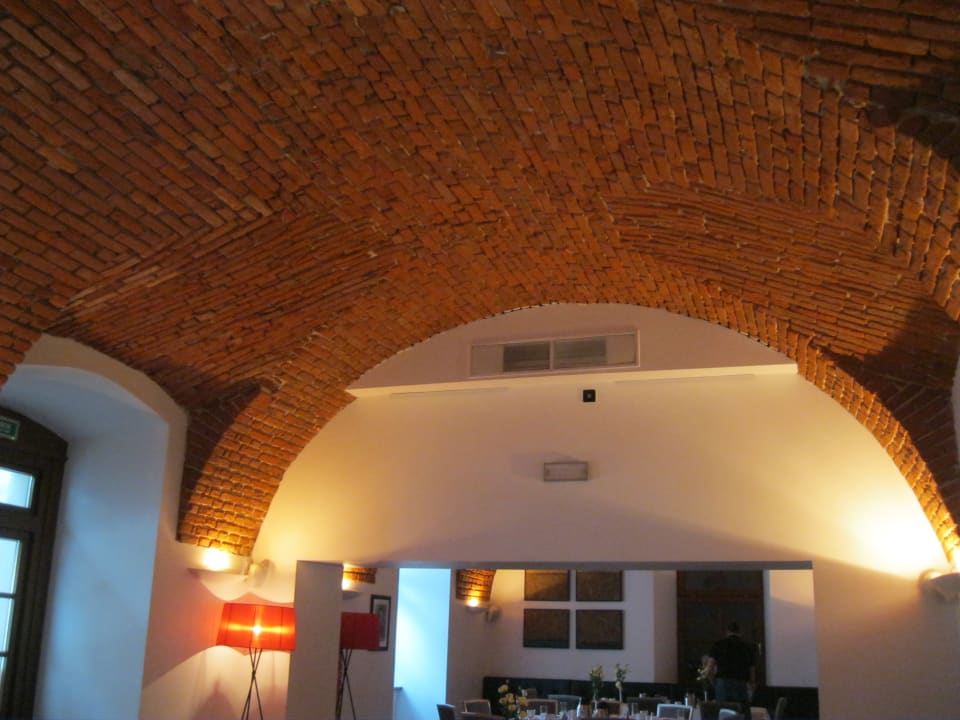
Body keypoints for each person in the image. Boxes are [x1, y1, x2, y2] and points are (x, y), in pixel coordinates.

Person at [705, 621, 756, 715]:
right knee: (741, 714)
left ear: (727, 632)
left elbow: (709, 669)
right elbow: (752, 671)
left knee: (723, 714)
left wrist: (714, 683)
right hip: (741, 684)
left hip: (722, 684)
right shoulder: (747, 647)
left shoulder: (718, 645)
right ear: (740, 632)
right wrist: (751, 686)